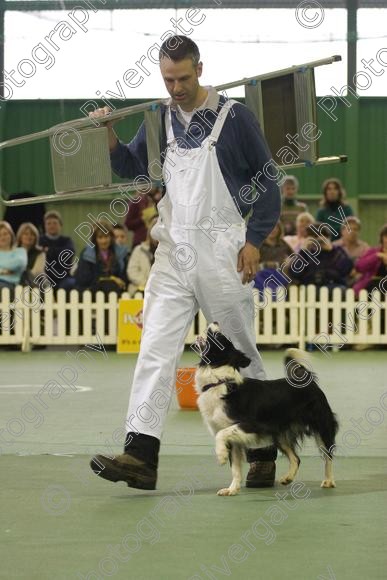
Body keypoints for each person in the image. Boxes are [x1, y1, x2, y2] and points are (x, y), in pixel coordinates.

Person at [90, 35, 281, 491]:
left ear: (200, 69)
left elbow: (268, 180)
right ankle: (141, 455)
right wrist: (110, 132)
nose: (174, 87)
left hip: (222, 251)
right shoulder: (158, 117)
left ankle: (263, 449)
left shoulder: (234, 117)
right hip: (173, 251)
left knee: (240, 352)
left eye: (183, 78)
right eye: (167, 78)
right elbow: (133, 167)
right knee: (154, 347)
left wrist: (255, 240)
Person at [291, 224, 353, 294]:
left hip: (333, 286)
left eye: (322, 238)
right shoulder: (305, 253)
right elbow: (295, 273)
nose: (318, 242)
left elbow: (346, 269)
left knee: (341, 291)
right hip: (310, 287)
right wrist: (303, 251)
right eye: (314, 237)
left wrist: (331, 250)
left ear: (328, 238)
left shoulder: (337, 251)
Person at [75, 222, 128, 296]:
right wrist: (110, 279)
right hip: (91, 291)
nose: (104, 241)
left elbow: (124, 275)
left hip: (116, 291)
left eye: (106, 237)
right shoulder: (86, 254)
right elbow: (83, 279)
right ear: (95, 239)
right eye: (100, 237)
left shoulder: (121, 252)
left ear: (111, 237)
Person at [254, 221, 292, 299]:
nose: (273, 230)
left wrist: (287, 263)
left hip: (279, 273)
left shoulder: (283, 244)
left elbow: (293, 256)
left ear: (279, 230)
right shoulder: (259, 244)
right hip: (261, 273)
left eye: (275, 227)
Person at [39, 211, 76, 291]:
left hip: (64, 278)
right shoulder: (40, 241)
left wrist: (48, 251)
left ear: (60, 225)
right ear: (44, 226)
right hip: (44, 277)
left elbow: (67, 254)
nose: (52, 226)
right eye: (49, 223)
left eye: (55, 223)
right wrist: (57, 253)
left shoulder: (67, 241)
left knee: (70, 284)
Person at [127, 216, 158, 297]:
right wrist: (147, 284)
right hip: (141, 289)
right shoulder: (139, 250)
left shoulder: (168, 252)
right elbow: (132, 271)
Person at [353, 223, 387, 296]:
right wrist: (377, 256)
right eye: (386, 236)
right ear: (382, 238)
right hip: (372, 286)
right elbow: (359, 266)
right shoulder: (374, 252)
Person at [0, 220, 27, 290]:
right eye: (0, 235)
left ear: (11, 235)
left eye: (5, 234)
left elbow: (19, 262)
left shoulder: (20, 251)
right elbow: (13, 265)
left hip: (10, 285)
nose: (2, 237)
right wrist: (6, 271)